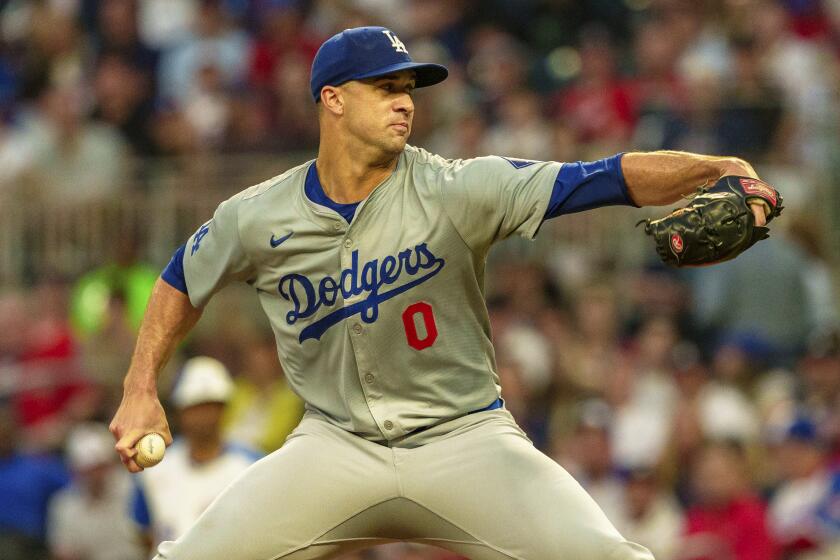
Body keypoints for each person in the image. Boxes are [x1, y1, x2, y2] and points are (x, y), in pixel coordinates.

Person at [110, 26, 776, 560]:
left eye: (409, 89)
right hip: (336, 445)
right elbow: (179, 281)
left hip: (465, 438)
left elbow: (598, 178)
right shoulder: (256, 214)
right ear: (333, 99)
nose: (405, 101)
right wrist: (141, 387)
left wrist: (717, 168)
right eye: (385, 88)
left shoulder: (457, 188)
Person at [130, 356, 260, 554]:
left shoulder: (252, 465)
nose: (203, 415)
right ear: (180, 410)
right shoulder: (154, 468)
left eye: (210, 406)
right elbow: (143, 532)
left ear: (223, 408)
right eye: (195, 407)